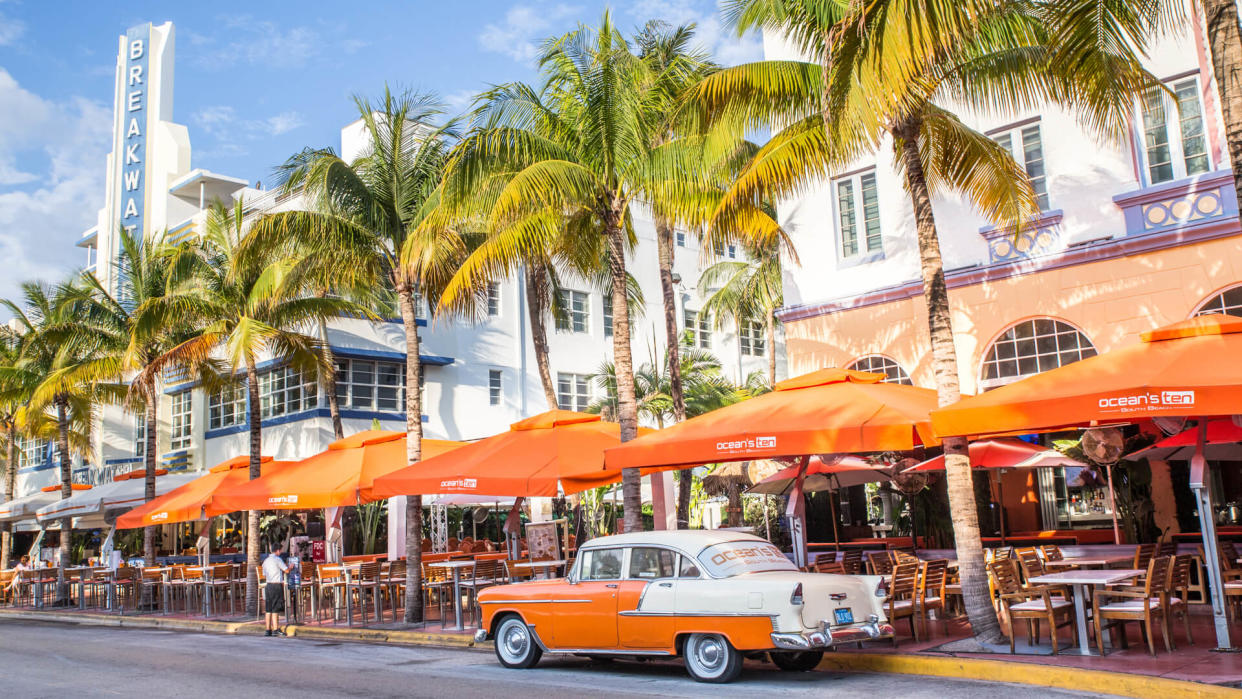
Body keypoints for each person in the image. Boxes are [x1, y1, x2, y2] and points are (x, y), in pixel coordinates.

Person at [261, 542, 288, 637]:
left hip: (268, 585)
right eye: (280, 550)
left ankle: (268, 629)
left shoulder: (266, 561)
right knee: (275, 608)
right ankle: (276, 629)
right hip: (276, 585)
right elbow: (286, 570)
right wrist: (291, 566)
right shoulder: (277, 559)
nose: (281, 552)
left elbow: (264, 574)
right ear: (277, 550)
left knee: (268, 609)